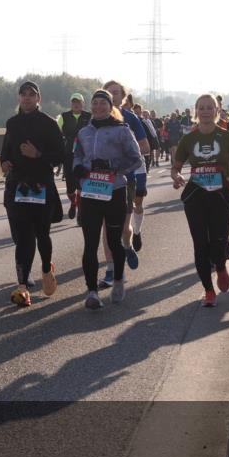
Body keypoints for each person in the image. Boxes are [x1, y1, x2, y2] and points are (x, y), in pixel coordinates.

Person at [171, 95, 229, 307]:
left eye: (209, 107)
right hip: (197, 195)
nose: (205, 111)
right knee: (200, 244)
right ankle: (208, 290)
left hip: (221, 193)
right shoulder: (188, 138)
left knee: (219, 241)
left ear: (217, 110)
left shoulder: (228, 136)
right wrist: (176, 177)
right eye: (201, 108)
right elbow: (175, 167)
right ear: (196, 111)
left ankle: (220, 266)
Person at [72, 91, 143, 310]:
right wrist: (79, 168)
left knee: (114, 241)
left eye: (103, 103)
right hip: (90, 192)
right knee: (90, 243)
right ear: (91, 107)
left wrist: (113, 167)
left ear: (110, 106)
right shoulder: (83, 132)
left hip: (115, 190)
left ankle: (119, 279)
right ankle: (92, 292)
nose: (98, 107)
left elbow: (137, 159)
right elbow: (76, 155)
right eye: (95, 103)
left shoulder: (122, 130)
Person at [1, 81, 65, 308]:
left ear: (39, 98)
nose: (27, 98)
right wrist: (5, 163)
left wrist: (38, 154)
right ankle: (22, 286)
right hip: (18, 186)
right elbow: (5, 151)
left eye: (31, 95)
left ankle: (47, 268)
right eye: (23, 95)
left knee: (42, 235)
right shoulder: (12, 123)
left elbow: (60, 155)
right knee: (23, 238)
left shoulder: (48, 123)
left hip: (42, 186)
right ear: (18, 98)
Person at [97, 80, 148, 287]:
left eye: (116, 93)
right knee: (107, 228)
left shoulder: (131, 119)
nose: (113, 95)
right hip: (101, 181)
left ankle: (127, 245)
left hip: (126, 179)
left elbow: (144, 148)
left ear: (123, 97)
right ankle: (111, 271)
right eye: (108, 92)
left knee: (124, 228)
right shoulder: (94, 120)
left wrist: (123, 153)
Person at [58, 93, 90, 220]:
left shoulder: (89, 116)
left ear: (83, 103)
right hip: (69, 155)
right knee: (70, 187)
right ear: (71, 104)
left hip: (84, 155)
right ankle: (73, 202)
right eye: (73, 102)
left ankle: (81, 211)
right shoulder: (63, 117)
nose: (76, 104)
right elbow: (56, 133)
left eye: (78, 102)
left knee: (82, 183)